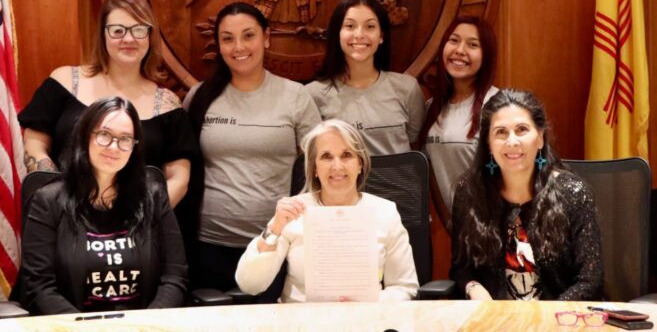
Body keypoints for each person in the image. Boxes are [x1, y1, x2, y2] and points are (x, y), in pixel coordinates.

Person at [184, 2, 321, 291]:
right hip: (208, 243)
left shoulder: (295, 96)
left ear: (266, 38)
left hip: (275, 242)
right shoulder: (199, 97)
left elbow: (317, 168)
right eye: (227, 38)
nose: (238, 47)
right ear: (218, 45)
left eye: (248, 35)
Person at [19, 0, 196, 208]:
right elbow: (34, 143)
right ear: (103, 35)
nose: (129, 39)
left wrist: (138, 219)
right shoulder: (64, 81)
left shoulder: (169, 105)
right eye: (118, 30)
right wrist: (59, 200)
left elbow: (179, 177)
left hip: (137, 230)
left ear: (150, 36)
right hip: (60, 217)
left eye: (139, 30)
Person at [17, 97, 187, 314]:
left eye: (125, 139)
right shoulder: (48, 200)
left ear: (134, 147)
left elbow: (175, 277)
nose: (114, 147)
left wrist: (148, 325)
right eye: (104, 135)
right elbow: (38, 287)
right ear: (85, 137)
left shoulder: (153, 197)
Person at [235, 119, 419, 302]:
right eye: (326, 156)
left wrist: (371, 302)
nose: (337, 166)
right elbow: (250, 285)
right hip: (301, 322)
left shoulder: (385, 212)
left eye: (346, 155)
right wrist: (275, 228)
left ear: (360, 164)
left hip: (365, 320)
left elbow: (405, 287)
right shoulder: (293, 211)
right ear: (314, 168)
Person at [451, 89, 603, 301]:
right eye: (501, 132)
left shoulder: (573, 193)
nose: (512, 141)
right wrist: (473, 287)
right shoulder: (469, 193)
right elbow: (461, 268)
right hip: (495, 322)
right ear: (488, 143)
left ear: (540, 138)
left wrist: (546, 319)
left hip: (560, 322)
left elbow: (590, 280)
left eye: (521, 129)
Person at [306, 0, 425, 155]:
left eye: (370, 27)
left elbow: (416, 149)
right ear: (337, 34)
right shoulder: (313, 94)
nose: (360, 34)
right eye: (350, 26)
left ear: (381, 36)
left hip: (397, 180)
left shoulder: (407, 88)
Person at [418, 16, 500, 228]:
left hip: (495, 229)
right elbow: (432, 172)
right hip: (459, 233)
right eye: (453, 41)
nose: (460, 50)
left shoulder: (499, 106)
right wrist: (447, 219)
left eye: (472, 45)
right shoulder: (431, 108)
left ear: (486, 56)